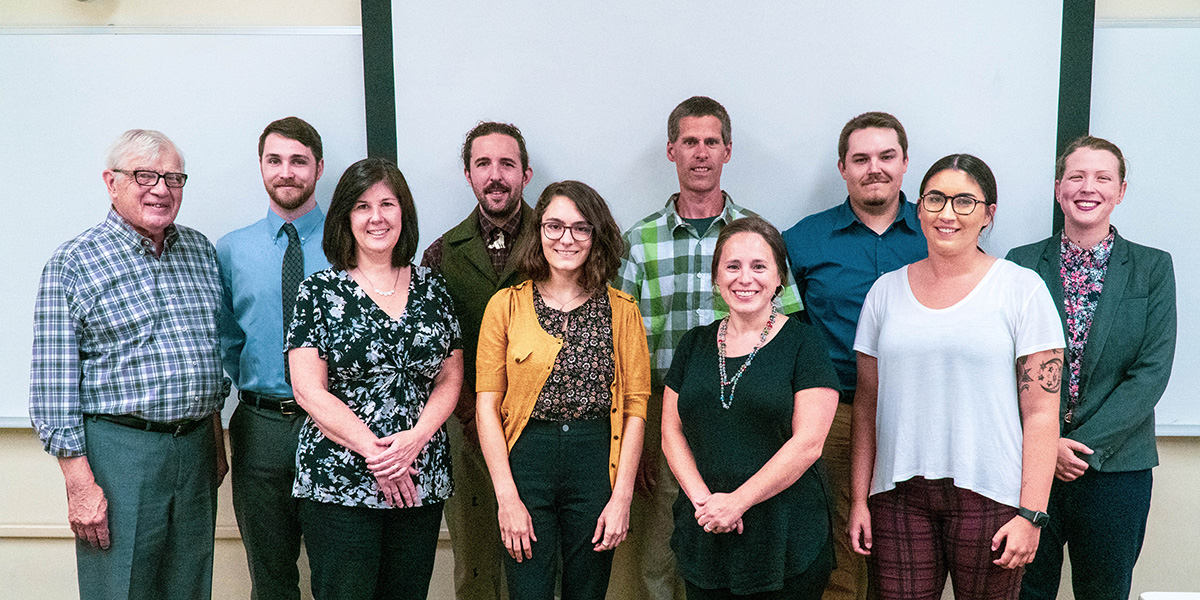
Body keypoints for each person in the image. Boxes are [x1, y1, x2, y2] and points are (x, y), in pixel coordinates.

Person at [848, 154, 1064, 600]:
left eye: (965, 201)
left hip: (993, 497)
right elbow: (866, 405)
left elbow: (1042, 414)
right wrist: (857, 500)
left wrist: (1032, 514)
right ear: (919, 209)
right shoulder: (884, 291)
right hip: (898, 498)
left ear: (989, 214)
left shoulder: (1022, 290)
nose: (948, 213)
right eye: (936, 199)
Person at [614, 96, 803, 600]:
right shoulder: (638, 242)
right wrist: (646, 431)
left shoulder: (759, 236)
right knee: (660, 553)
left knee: (745, 547)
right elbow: (622, 344)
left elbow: (789, 332)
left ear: (728, 151)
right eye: (690, 142)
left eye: (712, 142)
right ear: (671, 151)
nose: (701, 153)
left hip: (751, 417)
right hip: (668, 415)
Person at [29, 129, 228, 600]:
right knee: (121, 589)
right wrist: (79, 484)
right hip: (120, 453)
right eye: (144, 175)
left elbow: (209, 353)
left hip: (197, 448)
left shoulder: (200, 252)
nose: (161, 189)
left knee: (190, 586)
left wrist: (216, 440)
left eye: (173, 178)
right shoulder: (73, 262)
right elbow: (53, 386)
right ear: (111, 182)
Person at [1007, 136, 1176, 600]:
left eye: (1103, 178)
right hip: (1029, 464)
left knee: (1104, 591)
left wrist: (1076, 448)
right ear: (1058, 187)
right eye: (1077, 176)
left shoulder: (1152, 268)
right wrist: (1046, 445)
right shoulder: (1020, 265)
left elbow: (1151, 373)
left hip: (1117, 469)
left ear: (1120, 191)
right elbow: (1005, 364)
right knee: (1025, 591)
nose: (1089, 187)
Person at [286, 157, 463, 600]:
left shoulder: (433, 286)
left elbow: (450, 376)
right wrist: (377, 453)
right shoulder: (318, 292)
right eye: (363, 206)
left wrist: (415, 441)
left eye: (387, 204)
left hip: (419, 475)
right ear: (346, 217)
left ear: (404, 211)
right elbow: (308, 390)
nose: (377, 217)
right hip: (340, 478)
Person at [475, 180, 650, 600]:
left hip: (596, 460)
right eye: (553, 226)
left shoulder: (622, 310)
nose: (565, 239)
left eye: (580, 228)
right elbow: (486, 407)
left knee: (587, 591)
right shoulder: (505, 305)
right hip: (527, 459)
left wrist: (622, 496)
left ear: (597, 235)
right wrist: (506, 498)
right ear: (538, 232)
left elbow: (635, 408)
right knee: (527, 590)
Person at [780, 111, 926, 600]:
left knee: (911, 554)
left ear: (905, 162)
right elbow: (784, 334)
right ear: (842, 167)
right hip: (836, 417)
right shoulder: (802, 240)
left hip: (922, 417)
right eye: (860, 158)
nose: (874, 168)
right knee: (842, 555)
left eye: (887, 156)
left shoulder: (939, 234)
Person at [662, 216, 840, 599]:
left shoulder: (804, 344)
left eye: (759, 266)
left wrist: (737, 503)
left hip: (785, 534)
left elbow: (808, 443)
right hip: (706, 528)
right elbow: (671, 432)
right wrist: (705, 505)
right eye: (733, 266)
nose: (746, 278)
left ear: (780, 279)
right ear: (716, 277)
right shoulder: (693, 344)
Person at [421, 121, 536, 600]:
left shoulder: (554, 240)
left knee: (535, 559)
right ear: (467, 174)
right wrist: (470, 413)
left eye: (507, 164)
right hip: (464, 428)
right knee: (473, 561)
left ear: (525, 175)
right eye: (483, 164)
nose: (495, 175)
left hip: (540, 426)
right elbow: (430, 347)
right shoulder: (441, 253)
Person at [217, 116, 327, 600]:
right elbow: (226, 339)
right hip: (261, 427)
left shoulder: (352, 242)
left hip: (336, 426)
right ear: (261, 167)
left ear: (319, 168)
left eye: (299, 161)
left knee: (340, 572)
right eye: (275, 160)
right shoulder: (231, 250)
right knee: (271, 577)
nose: (287, 172)